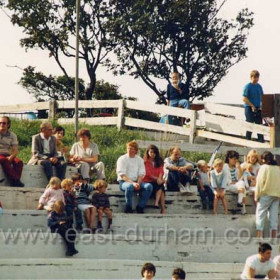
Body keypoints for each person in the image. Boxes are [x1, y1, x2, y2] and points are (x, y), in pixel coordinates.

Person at [116, 140, 153, 214]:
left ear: (136, 150)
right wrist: (133, 183)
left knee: (149, 186)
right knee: (129, 187)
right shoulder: (122, 159)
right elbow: (122, 175)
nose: (130, 150)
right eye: (128, 148)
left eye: (132, 148)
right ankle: (128, 207)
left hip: (137, 181)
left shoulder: (139, 160)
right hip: (124, 182)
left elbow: (141, 173)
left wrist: (138, 183)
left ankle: (140, 207)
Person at [255, 151, 280, 238]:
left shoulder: (263, 167)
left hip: (266, 193)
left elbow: (259, 182)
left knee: (260, 215)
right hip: (276, 194)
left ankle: (259, 236)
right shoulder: (277, 168)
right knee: (274, 216)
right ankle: (273, 238)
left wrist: (256, 195)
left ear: (263, 159)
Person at [0, 116, 24, 187]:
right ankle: (16, 180)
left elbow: (15, 150)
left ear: (8, 125)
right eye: (0, 123)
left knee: (18, 162)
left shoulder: (12, 135)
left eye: (4, 123)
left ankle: (14, 182)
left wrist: (11, 157)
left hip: (6, 154)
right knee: (4, 160)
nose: (1, 125)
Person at [142, 145, 166, 214]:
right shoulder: (145, 162)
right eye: (151, 152)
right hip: (148, 181)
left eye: (154, 152)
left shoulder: (159, 161)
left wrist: (160, 178)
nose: (153, 154)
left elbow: (161, 171)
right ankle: (162, 208)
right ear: (148, 152)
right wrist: (158, 179)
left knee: (161, 185)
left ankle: (157, 204)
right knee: (160, 185)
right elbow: (148, 174)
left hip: (157, 181)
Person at [243, 70, 264, 142]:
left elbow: (262, 97)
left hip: (258, 108)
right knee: (250, 125)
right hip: (249, 108)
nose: (256, 79)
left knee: (259, 125)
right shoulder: (248, 86)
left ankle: (261, 141)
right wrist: (252, 105)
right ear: (251, 77)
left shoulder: (259, 86)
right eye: (255, 77)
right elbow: (244, 98)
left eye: (257, 77)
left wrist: (261, 105)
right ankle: (247, 141)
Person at [224, 150, 246, 215]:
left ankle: (239, 202)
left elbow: (239, 178)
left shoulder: (236, 168)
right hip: (228, 185)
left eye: (236, 159)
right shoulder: (225, 166)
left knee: (242, 183)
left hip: (236, 185)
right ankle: (243, 208)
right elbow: (224, 178)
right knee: (243, 190)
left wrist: (239, 168)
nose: (235, 160)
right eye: (234, 159)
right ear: (229, 158)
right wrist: (231, 181)